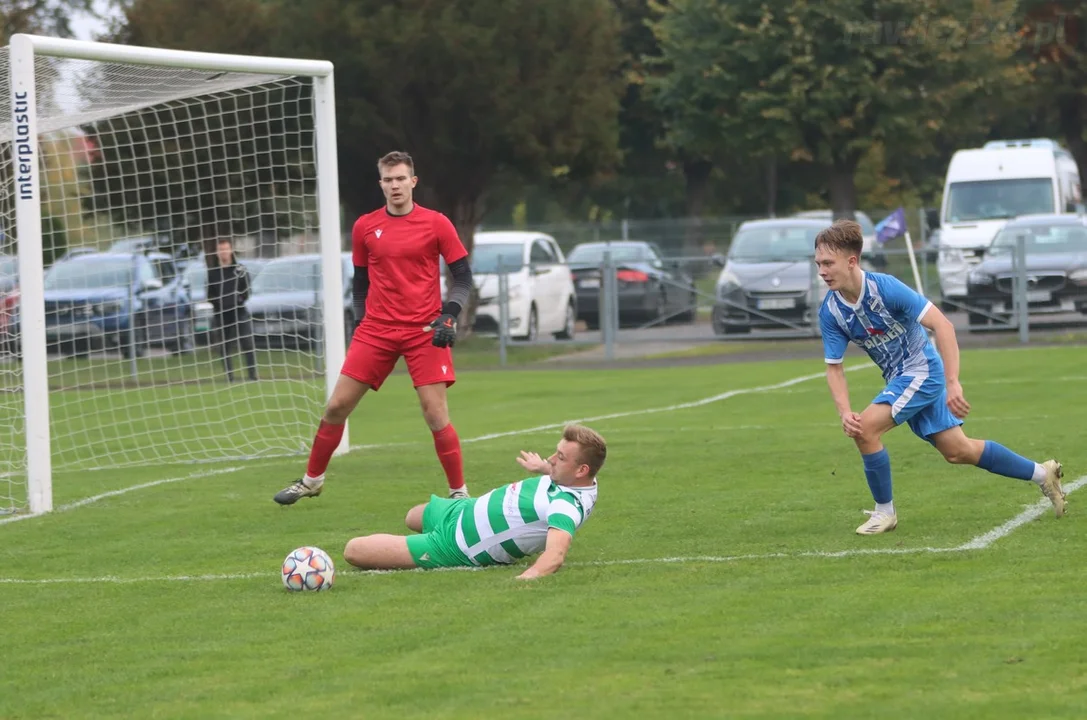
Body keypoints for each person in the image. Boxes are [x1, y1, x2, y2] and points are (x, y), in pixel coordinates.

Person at [815, 220, 1065, 535]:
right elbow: (834, 367)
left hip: (922, 370)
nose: (821, 271)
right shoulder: (831, 312)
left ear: (851, 261)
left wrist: (953, 382)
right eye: (818, 264)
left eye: (828, 263)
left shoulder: (885, 287)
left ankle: (884, 513)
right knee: (958, 451)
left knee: (865, 431)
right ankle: (1043, 474)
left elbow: (943, 325)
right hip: (901, 378)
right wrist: (843, 412)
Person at [274, 151, 474, 505]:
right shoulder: (365, 226)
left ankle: (459, 493)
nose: (395, 185)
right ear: (380, 183)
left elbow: (462, 276)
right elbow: (361, 282)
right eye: (388, 179)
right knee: (336, 406)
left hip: (424, 331)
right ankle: (311, 480)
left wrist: (449, 314)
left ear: (413, 181)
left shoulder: (437, 223)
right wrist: (359, 321)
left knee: (435, 412)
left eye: (401, 178)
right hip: (376, 331)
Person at [343, 424, 606, 579]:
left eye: (560, 457)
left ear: (581, 469)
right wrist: (542, 468)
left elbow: (555, 555)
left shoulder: (566, 507)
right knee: (412, 517)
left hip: (455, 545)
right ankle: (410, 543)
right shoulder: (575, 480)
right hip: (463, 508)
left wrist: (526, 579)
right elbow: (563, 478)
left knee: (354, 550)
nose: (551, 459)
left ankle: (419, 549)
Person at [206, 238, 257, 382]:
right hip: (222, 314)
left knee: (247, 342)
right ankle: (230, 377)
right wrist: (219, 303)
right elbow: (210, 295)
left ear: (231, 250)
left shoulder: (240, 269)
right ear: (217, 252)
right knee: (224, 345)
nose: (224, 252)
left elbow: (246, 291)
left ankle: (252, 376)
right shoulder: (213, 273)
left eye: (226, 249)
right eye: (221, 249)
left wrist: (237, 300)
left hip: (239, 311)